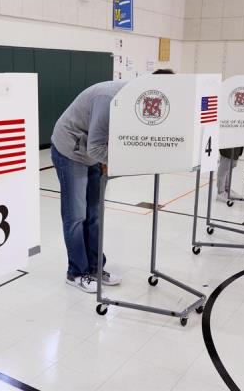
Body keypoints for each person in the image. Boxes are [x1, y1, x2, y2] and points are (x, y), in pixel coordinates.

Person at [51, 69, 175, 293]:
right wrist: (119, 161)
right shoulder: (109, 98)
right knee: (76, 215)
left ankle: (96, 268)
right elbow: (96, 147)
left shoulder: (139, 102)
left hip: (93, 151)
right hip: (70, 150)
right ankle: (76, 272)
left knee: (95, 214)